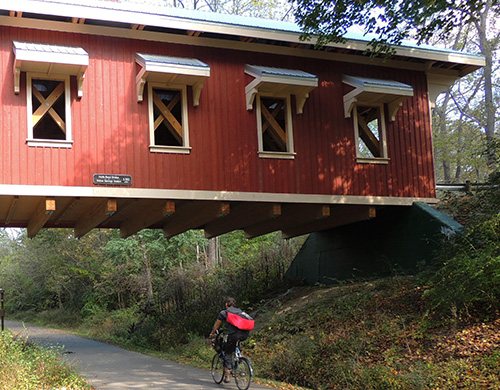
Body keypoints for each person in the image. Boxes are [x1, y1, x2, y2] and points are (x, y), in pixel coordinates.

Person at [210, 297, 251, 383]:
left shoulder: (224, 313)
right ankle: (241, 360)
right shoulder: (240, 312)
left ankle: (227, 375)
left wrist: (213, 333)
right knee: (236, 345)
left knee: (227, 351)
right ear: (234, 304)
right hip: (245, 334)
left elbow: (216, 325)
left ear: (226, 304)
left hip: (234, 335)